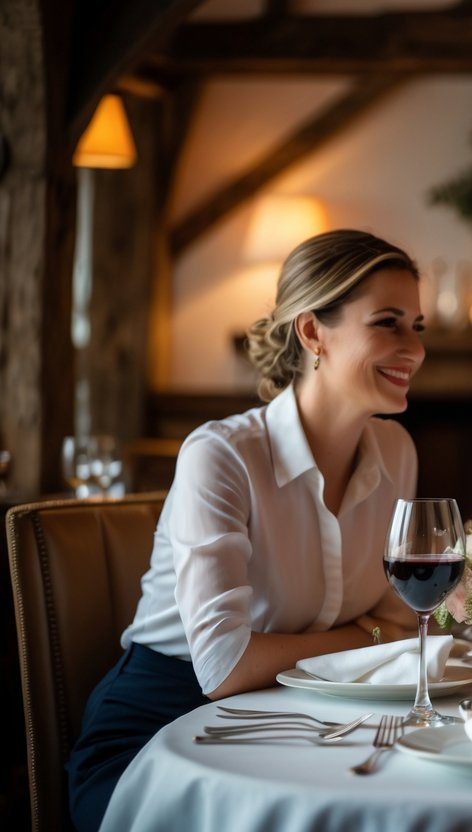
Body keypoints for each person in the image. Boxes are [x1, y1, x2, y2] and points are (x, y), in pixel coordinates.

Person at [67, 229, 426, 831]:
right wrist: (367, 638)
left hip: (304, 722)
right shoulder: (222, 455)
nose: (413, 349)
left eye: (418, 325)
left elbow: (403, 618)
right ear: (313, 332)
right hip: (161, 734)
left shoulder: (398, 451)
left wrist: (372, 638)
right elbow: (225, 667)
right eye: (388, 322)